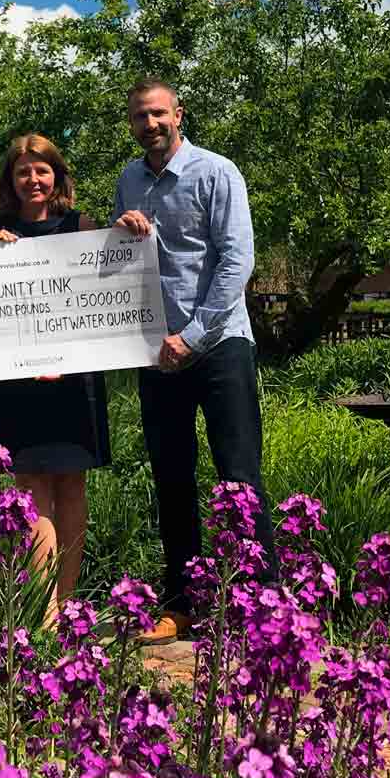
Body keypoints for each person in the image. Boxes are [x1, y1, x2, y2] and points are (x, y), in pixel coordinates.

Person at [111, 78, 275, 645]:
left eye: (158, 114)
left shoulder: (216, 172)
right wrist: (120, 231)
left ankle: (260, 609)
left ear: (178, 114)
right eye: (139, 117)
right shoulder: (129, 180)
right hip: (156, 352)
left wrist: (195, 334)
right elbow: (122, 263)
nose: (149, 124)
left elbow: (237, 262)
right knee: (171, 479)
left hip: (220, 344)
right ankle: (183, 605)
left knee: (239, 476)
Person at [0, 134, 112, 624]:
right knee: (29, 486)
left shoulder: (84, 227)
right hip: (17, 383)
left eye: (42, 170)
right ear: (10, 181)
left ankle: (69, 600)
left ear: (57, 175)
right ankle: (45, 608)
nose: (33, 180)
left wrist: (131, 230)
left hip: (73, 381)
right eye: (23, 172)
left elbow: (111, 283)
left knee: (72, 485)